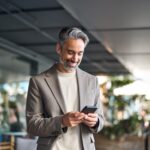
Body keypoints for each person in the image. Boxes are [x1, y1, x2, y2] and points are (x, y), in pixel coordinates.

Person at [26, 27, 104, 150]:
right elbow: (32, 125)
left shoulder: (92, 81)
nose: (75, 59)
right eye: (71, 52)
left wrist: (96, 122)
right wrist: (62, 121)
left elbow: (101, 120)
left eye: (80, 53)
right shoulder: (38, 82)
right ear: (59, 48)